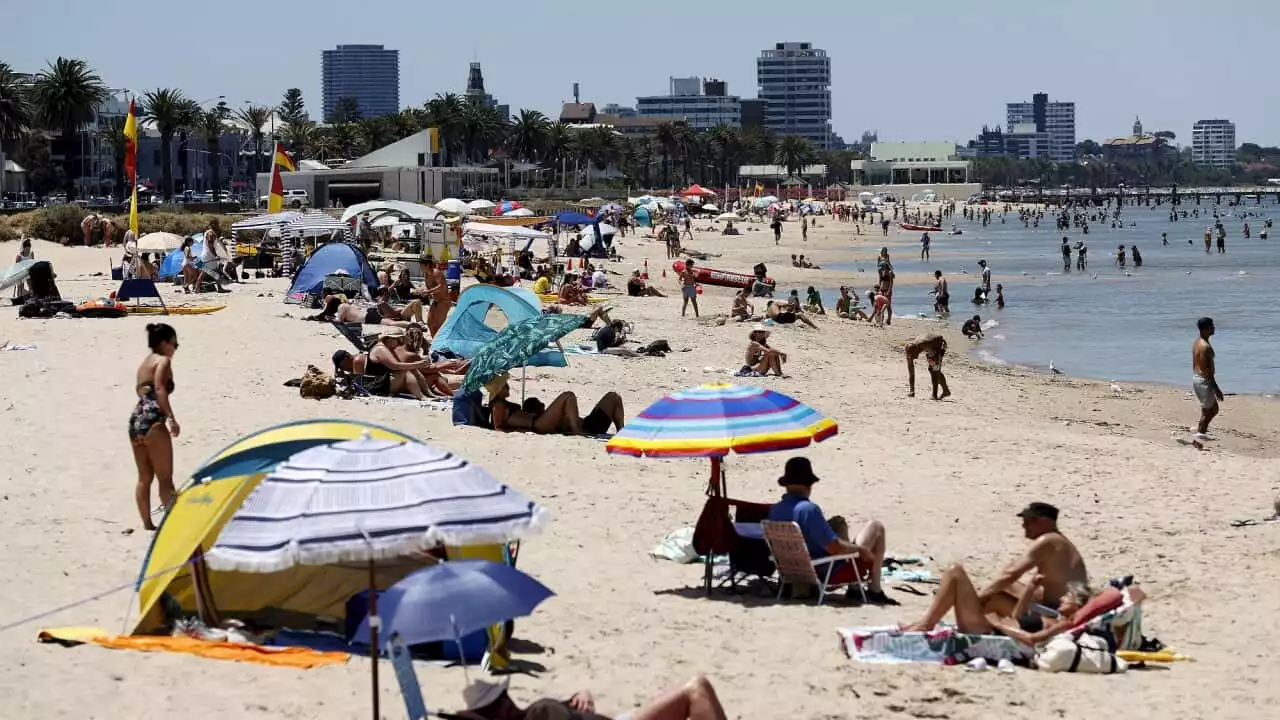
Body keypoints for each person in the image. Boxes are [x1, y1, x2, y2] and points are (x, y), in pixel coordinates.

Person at [902, 502, 1089, 633]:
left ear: (1044, 521)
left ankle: (927, 624)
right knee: (1001, 589)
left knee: (956, 573)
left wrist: (980, 596)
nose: (1024, 526)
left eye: (1029, 521)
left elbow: (1010, 574)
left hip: (1055, 612)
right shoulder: (1061, 545)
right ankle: (946, 617)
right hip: (1056, 609)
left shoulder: (1048, 541)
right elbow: (1048, 587)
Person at [766, 458, 891, 603]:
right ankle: (875, 589)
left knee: (838, 522)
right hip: (826, 571)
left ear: (786, 485)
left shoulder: (775, 511)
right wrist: (861, 550)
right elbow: (834, 547)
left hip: (793, 572)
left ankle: (856, 588)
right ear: (809, 484)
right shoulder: (808, 510)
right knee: (876, 527)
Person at [456, 674, 729, 720]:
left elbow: (567, 706)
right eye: (501, 701)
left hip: (619, 716)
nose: (508, 701)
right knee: (696, 688)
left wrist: (580, 695)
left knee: (697, 688)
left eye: (504, 696)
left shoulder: (533, 713)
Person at [128, 323, 180, 531]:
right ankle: (174, 522)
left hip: (136, 419)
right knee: (165, 478)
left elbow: (144, 392)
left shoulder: (144, 364)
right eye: (174, 343)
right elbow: (159, 389)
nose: (175, 348)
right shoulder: (163, 361)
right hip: (153, 420)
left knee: (144, 478)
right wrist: (171, 418)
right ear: (164, 343)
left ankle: (148, 524)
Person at [487, 374, 624, 435]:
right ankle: (576, 430)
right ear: (498, 391)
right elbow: (498, 428)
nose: (508, 386)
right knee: (568, 396)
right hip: (537, 425)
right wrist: (522, 431)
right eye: (504, 385)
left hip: (585, 425)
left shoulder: (504, 404)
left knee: (613, 397)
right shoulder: (498, 405)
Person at [1191, 317, 1223, 447]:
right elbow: (1207, 369)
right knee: (1212, 410)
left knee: (1207, 410)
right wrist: (1216, 388)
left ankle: (1198, 438)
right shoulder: (1205, 347)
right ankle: (1198, 439)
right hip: (1204, 380)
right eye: (1212, 326)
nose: (1214, 328)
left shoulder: (1197, 342)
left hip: (1197, 378)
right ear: (1206, 328)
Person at [904, 334, 950, 400]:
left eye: (914, 355)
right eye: (912, 356)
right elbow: (911, 371)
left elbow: (936, 364)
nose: (914, 357)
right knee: (932, 369)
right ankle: (946, 391)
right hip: (930, 347)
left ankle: (935, 395)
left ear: (917, 349)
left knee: (934, 369)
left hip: (939, 345)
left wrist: (936, 363)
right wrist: (912, 391)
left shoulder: (925, 344)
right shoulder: (909, 350)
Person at [420, 257, 453, 336]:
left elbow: (441, 287)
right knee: (430, 323)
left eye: (421, 265)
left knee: (439, 324)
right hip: (435, 301)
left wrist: (428, 292)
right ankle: (434, 341)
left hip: (443, 301)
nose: (420, 267)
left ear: (427, 265)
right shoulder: (426, 275)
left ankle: (438, 342)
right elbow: (427, 287)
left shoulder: (437, 272)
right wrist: (423, 291)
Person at [200, 219, 228, 292]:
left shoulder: (209, 232)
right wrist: (215, 255)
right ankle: (219, 288)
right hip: (209, 255)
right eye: (216, 224)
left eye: (217, 224)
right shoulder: (210, 233)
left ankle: (196, 287)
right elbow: (210, 245)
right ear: (211, 224)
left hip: (207, 255)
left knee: (206, 272)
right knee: (215, 272)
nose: (217, 225)